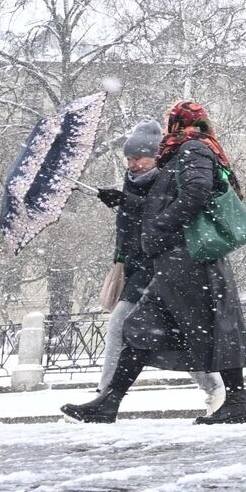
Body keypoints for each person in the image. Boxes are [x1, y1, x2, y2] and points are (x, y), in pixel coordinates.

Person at [62, 102, 246, 425]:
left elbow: (196, 193)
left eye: (171, 122)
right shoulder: (186, 151)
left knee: (209, 330)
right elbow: (168, 198)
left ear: (180, 123)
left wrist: (162, 224)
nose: (167, 129)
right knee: (145, 328)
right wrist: (127, 201)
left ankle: (234, 402)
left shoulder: (192, 149)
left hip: (188, 262)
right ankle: (109, 402)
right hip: (180, 263)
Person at [92, 119, 225, 416]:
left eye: (140, 157)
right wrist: (120, 257)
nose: (134, 164)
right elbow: (129, 227)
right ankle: (216, 389)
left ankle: (104, 396)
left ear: (156, 156)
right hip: (140, 266)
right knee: (177, 333)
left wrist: (126, 201)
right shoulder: (132, 181)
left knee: (121, 324)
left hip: (163, 265)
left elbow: (161, 214)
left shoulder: (169, 176)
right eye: (129, 158)